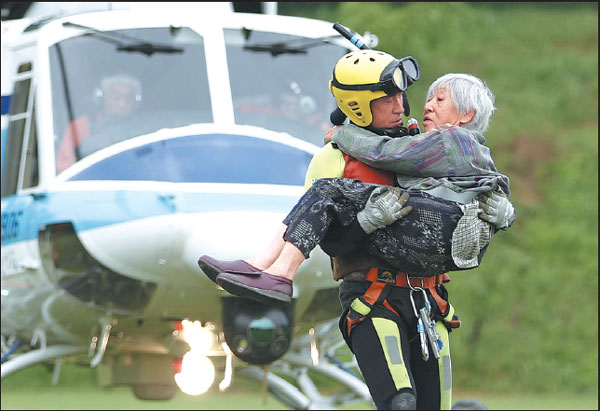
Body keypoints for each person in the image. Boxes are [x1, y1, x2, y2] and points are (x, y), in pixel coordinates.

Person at [199, 50, 514, 410]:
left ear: (466, 114)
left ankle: (269, 271)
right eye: (390, 98)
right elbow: (328, 239)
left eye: (406, 96)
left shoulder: (421, 144)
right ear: (364, 105)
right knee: (401, 403)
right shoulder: (336, 158)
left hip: (429, 298)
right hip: (374, 294)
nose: (405, 106)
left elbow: (389, 155)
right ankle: (267, 270)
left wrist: (502, 210)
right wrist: (366, 220)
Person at [55, 73, 142, 173]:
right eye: (116, 97)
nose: (122, 104)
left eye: (128, 99)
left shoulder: (141, 128)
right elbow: (64, 169)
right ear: (101, 97)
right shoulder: (80, 127)